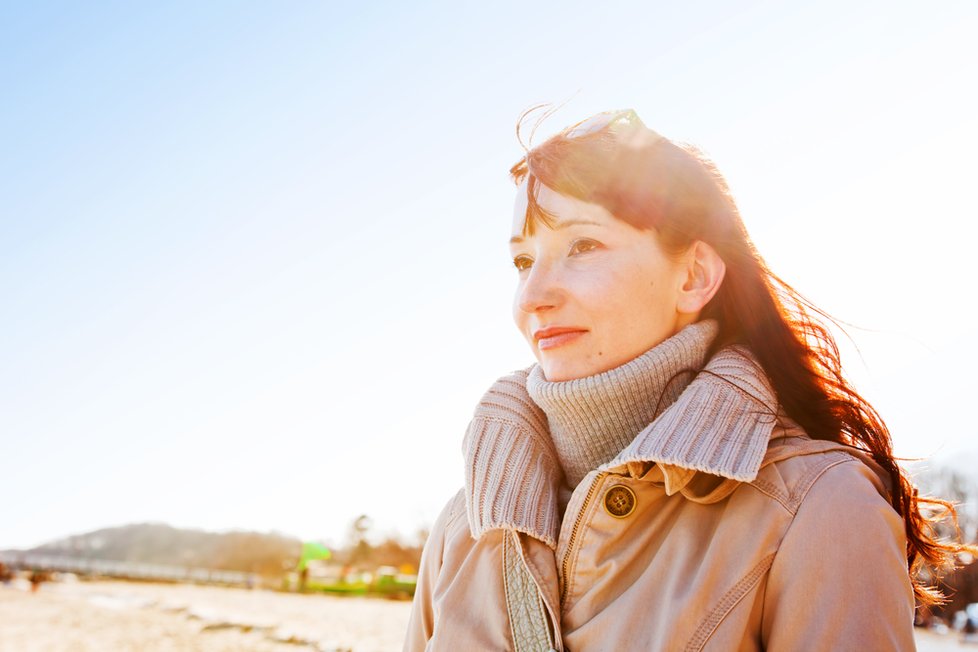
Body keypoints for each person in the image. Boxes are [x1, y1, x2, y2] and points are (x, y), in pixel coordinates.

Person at [404, 108, 970, 651]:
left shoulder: (822, 508)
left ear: (695, 276)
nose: (532, 297)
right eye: (523, 262)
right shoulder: (468, 522)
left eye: (583, 245)